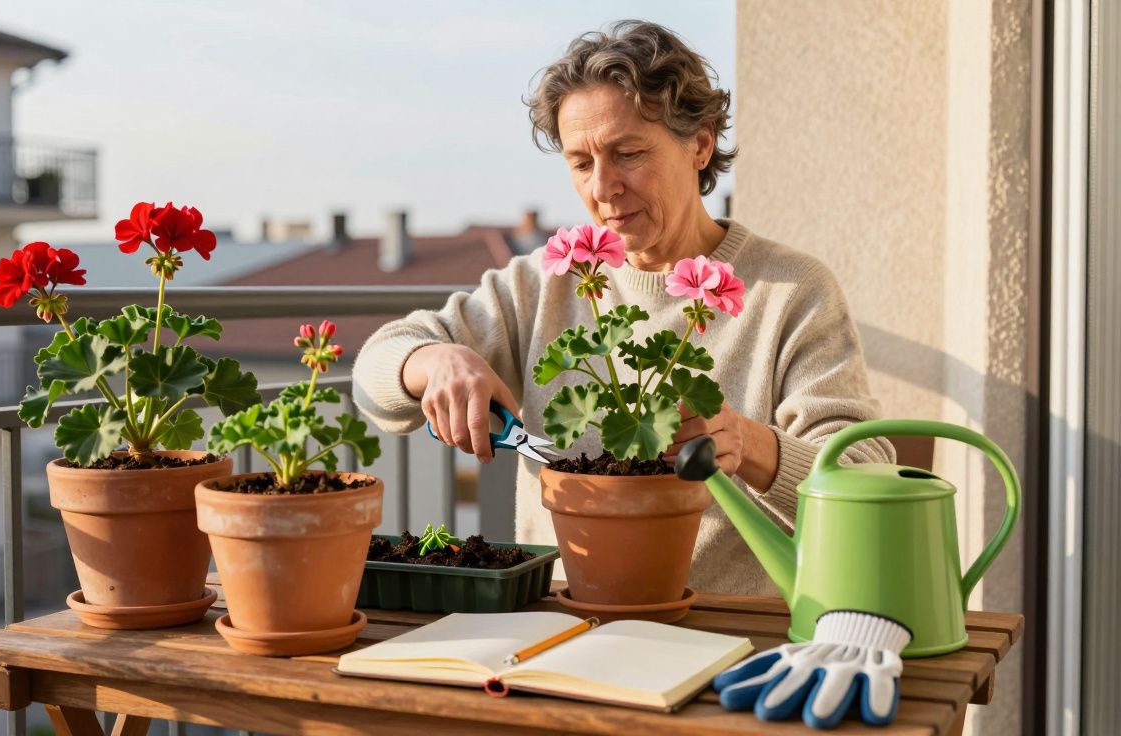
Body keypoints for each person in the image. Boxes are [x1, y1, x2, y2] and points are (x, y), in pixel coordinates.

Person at [351, 20, 893, 596]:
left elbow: (865, 475)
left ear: (701, 144)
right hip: (562, 623)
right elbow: (374, 376)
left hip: (732, 635)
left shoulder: (792, 291)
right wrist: (434, 361)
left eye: (628, 153)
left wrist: (747, 443)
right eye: (581, 163)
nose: (603, 188)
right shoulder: (548, 280)